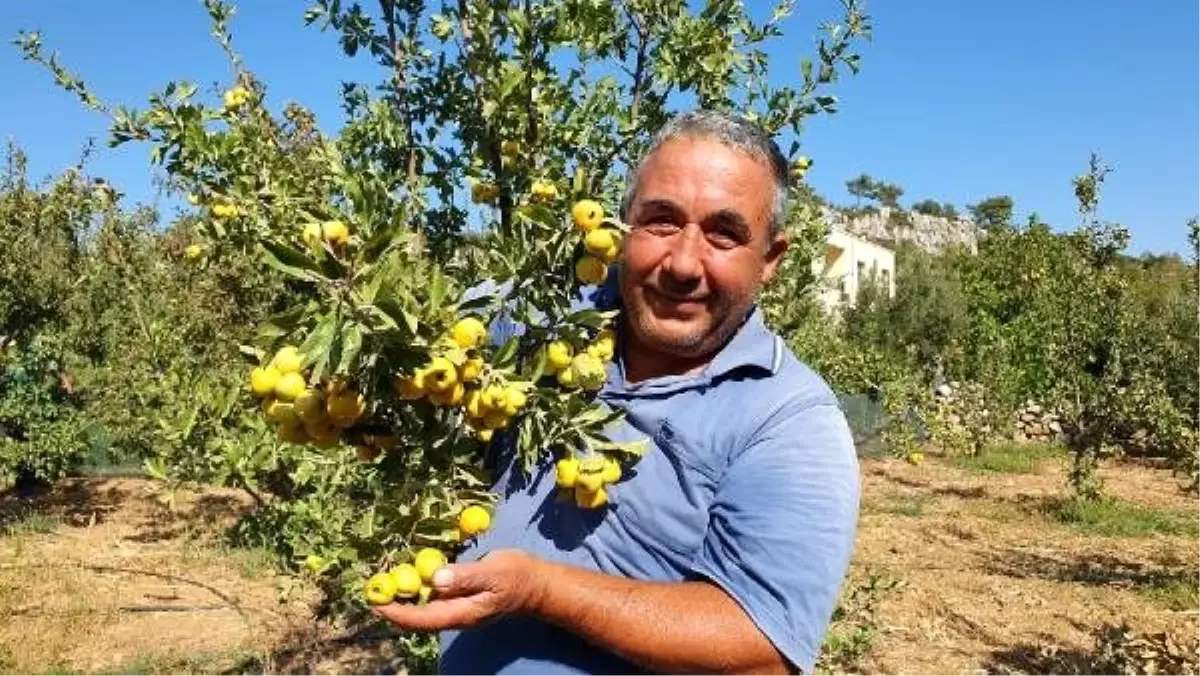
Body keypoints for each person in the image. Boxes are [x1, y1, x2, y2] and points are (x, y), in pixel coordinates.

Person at [375, 110, 861, 675]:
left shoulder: (788, 421)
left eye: (723, 234)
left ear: (771, 260)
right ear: (623, 224)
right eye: (660, 221)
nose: (682, 263)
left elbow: (760, 652)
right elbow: (429, 338)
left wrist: (540, 592)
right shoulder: (547, 321)